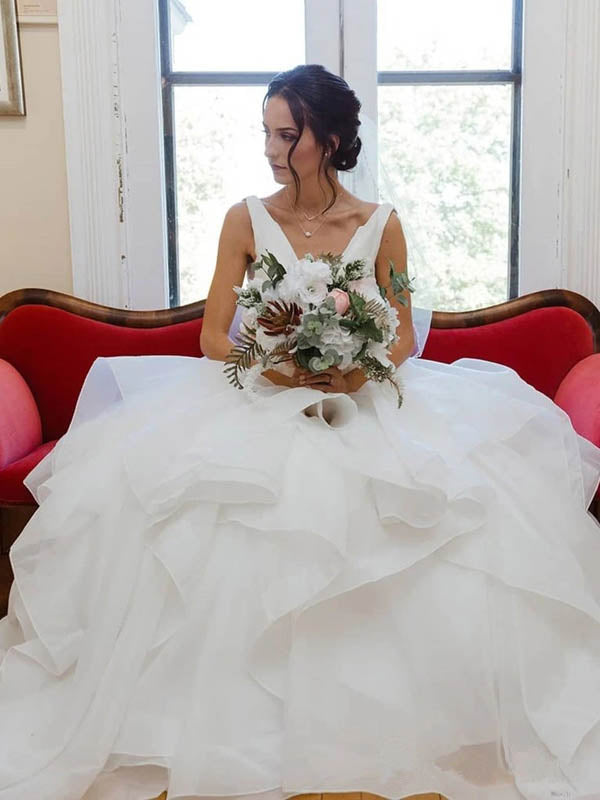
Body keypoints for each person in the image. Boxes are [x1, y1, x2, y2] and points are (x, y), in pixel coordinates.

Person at [1, 64, 600, 800]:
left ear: (332, 138)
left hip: (363, 399)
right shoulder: (243, 219)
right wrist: (279, 366)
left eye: (288, 134)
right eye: (267, 131)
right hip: (263, 397)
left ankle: (383, 721)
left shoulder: (383, 225)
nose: (272, 148)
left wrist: (355, 365)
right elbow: (215, 337)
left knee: (423, 511)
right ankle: (227, 720)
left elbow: (404, 330)